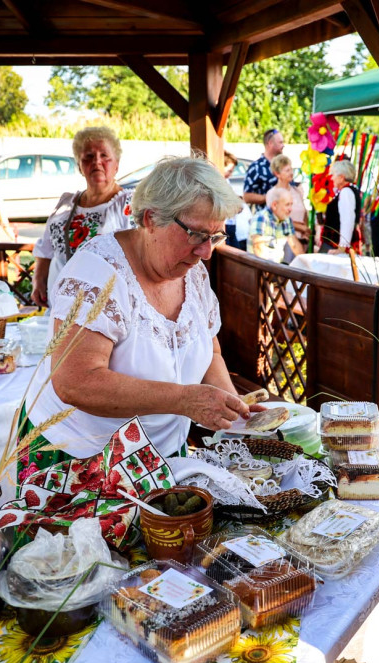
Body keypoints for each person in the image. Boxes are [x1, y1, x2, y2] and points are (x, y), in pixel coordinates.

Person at [18, 155, 259, 479]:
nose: (206, 252)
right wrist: (185, 400)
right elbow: (75, 382)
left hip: (158, 456)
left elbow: (208, 350)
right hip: (80, 462)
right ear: (150, 219)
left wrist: (233, 408)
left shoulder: (192, 272)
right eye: (197, 234)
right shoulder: (97, 274)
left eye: (216, 236)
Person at [31, 126, 133, 307]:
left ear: (116, 164)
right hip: (60, 302)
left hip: (101, 305)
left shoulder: (127, 204)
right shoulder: (66, 202)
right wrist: (38, 280)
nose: (97, 162)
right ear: (79, 165)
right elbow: (46, 247)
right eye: (88, 157)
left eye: (104, 156)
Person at [320, 159, 361, 253]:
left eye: (334, 175)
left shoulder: (346, 192)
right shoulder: (350, 190)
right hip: (335, 243)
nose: (332, 178)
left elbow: (347, 219)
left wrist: (342, 247)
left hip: (335, 243)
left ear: (342, 177)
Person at [271, 154, 309, 253]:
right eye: (287, 170)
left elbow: (304, 212)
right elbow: (278, 219)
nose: (291, 173)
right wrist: (301, 227)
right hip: (284, 241)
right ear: (277, 174)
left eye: (291, 170)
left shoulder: (297, 191)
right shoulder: (273, 194)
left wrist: (305, 234)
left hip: (302, 240)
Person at [248, 186, 295, 264]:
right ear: (274, 205)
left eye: (291, 204)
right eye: (287, 205)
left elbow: (294, 245)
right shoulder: (261, 217)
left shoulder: (286, 219)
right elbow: (258, 248)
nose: (290, 209)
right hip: (259, 270)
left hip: (277, 268)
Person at [243, 129, 284, 206]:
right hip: (266, 216)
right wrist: (269, 198)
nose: (283, 145)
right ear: (270, 143)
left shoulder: (283, 165)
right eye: (280, 142)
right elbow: (247, 196)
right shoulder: (256, 168)